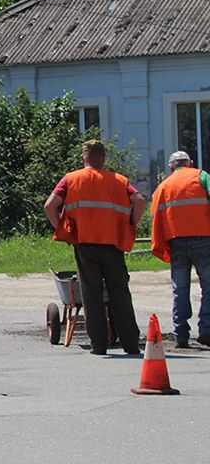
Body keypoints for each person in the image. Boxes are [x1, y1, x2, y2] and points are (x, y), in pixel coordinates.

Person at [44, 139, 146, 355]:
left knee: (91, 295)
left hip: (85, 244)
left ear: (84, 158)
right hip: (113, 244)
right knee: (120, 293)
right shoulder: (119, 181)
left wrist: (64, 229)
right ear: (104, 158)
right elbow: (140, 200)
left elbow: (50, 205)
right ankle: (130, 343)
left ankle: (99, 346)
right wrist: (131, 223)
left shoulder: (71, 179)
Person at [150, 151, 210, 348]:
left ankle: (181, 335)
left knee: (180, 288)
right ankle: (206, 331)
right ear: (190, 163)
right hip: (204, 239)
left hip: (177, 242)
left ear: (171, 167)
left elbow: (156, 215)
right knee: (208, 286)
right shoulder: (201, 176)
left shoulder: (164, 186)